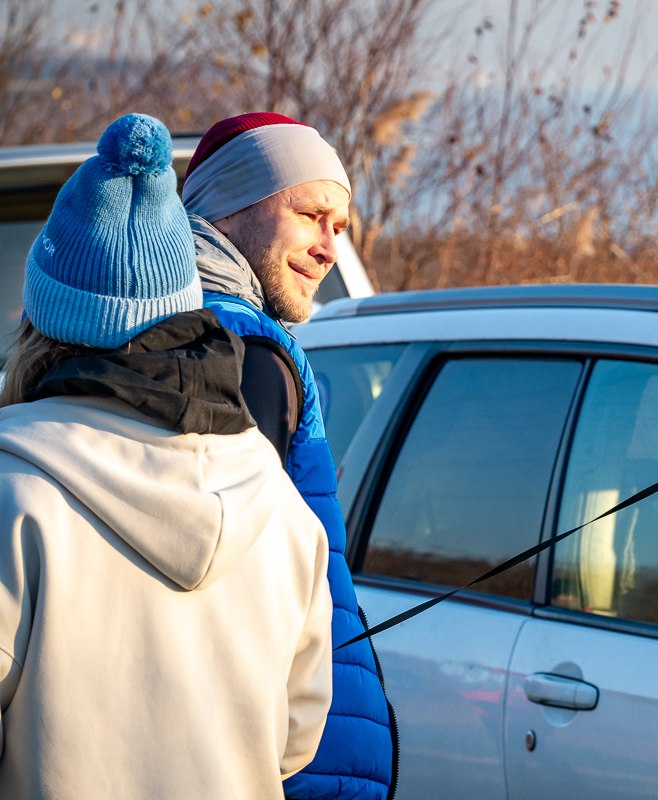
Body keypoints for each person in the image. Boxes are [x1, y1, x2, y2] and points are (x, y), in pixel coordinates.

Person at [0, 113, 332, 798]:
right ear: (181, 314)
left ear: (41, 316)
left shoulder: (14, 492)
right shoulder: (280, 508)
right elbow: (296, 739)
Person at [182, 112, 394, 800]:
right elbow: (236, 575)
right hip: (284, 758)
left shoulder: (190, 330)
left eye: (341, 228)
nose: (330, 248)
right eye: (311, 215)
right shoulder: (240, 348)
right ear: (228, 206)